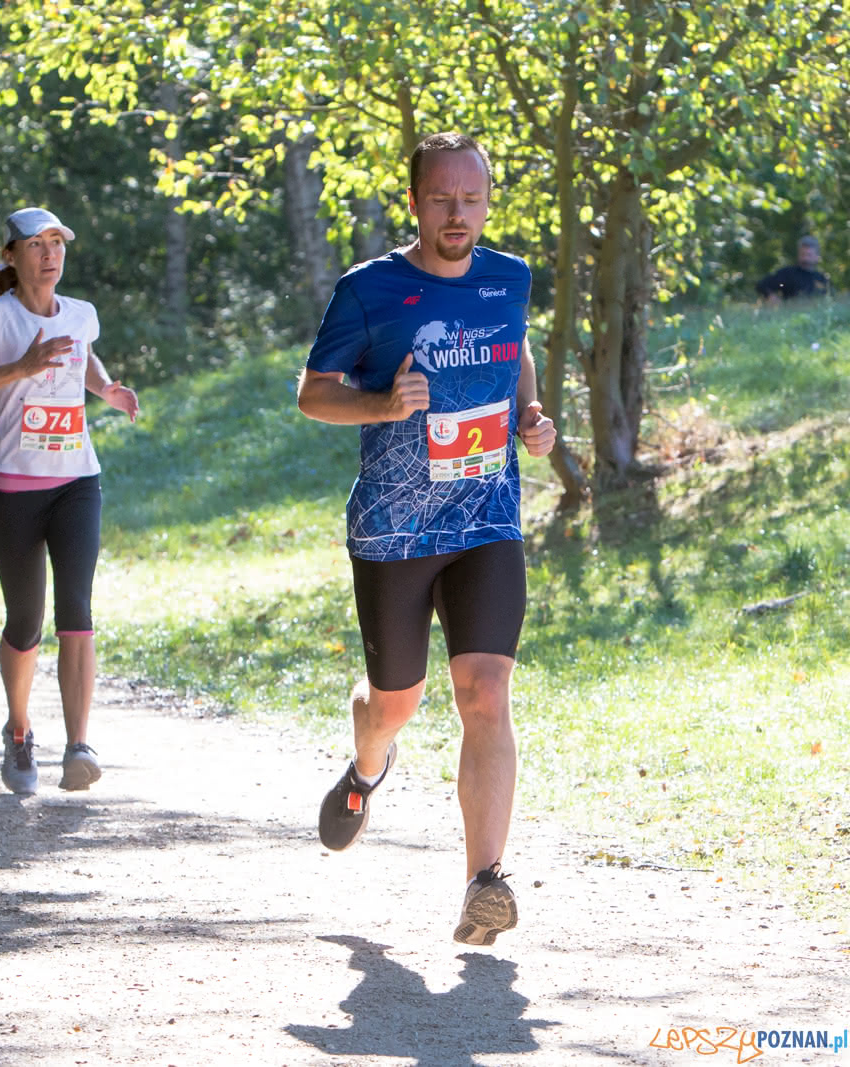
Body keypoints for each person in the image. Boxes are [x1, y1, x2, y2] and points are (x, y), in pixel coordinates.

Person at [295, 133, 556, 946]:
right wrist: (381, 405)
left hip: (487, 518)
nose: (457, 215)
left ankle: (485, 881)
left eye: (471, 200)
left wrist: (531, 417)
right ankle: (368, 762)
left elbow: (515, 352)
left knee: (485, 691)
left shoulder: (508, 277)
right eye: (441, 200)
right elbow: (313, 395)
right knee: (395, 702)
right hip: (394, 530)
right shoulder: (370, 290)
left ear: (487, 201)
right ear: (415, 202)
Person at [0, 206, 140, 796]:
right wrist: (20, 368)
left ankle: (79, 745)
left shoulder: (81, 315)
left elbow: (82, 356)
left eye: (58, 243)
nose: (50, 254)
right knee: (25, 623)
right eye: (36, 244)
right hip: (15, 490)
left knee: (76, 610)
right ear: (12, 256)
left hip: (77, 481)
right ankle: (20, 729)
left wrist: (105, 388)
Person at [755, 235, 830, 304]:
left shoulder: (822, 279)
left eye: (809, 255)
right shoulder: (788, 273)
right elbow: (762, 285)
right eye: (803, 254)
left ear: (817, 256)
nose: (805, 258)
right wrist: (771, 297)